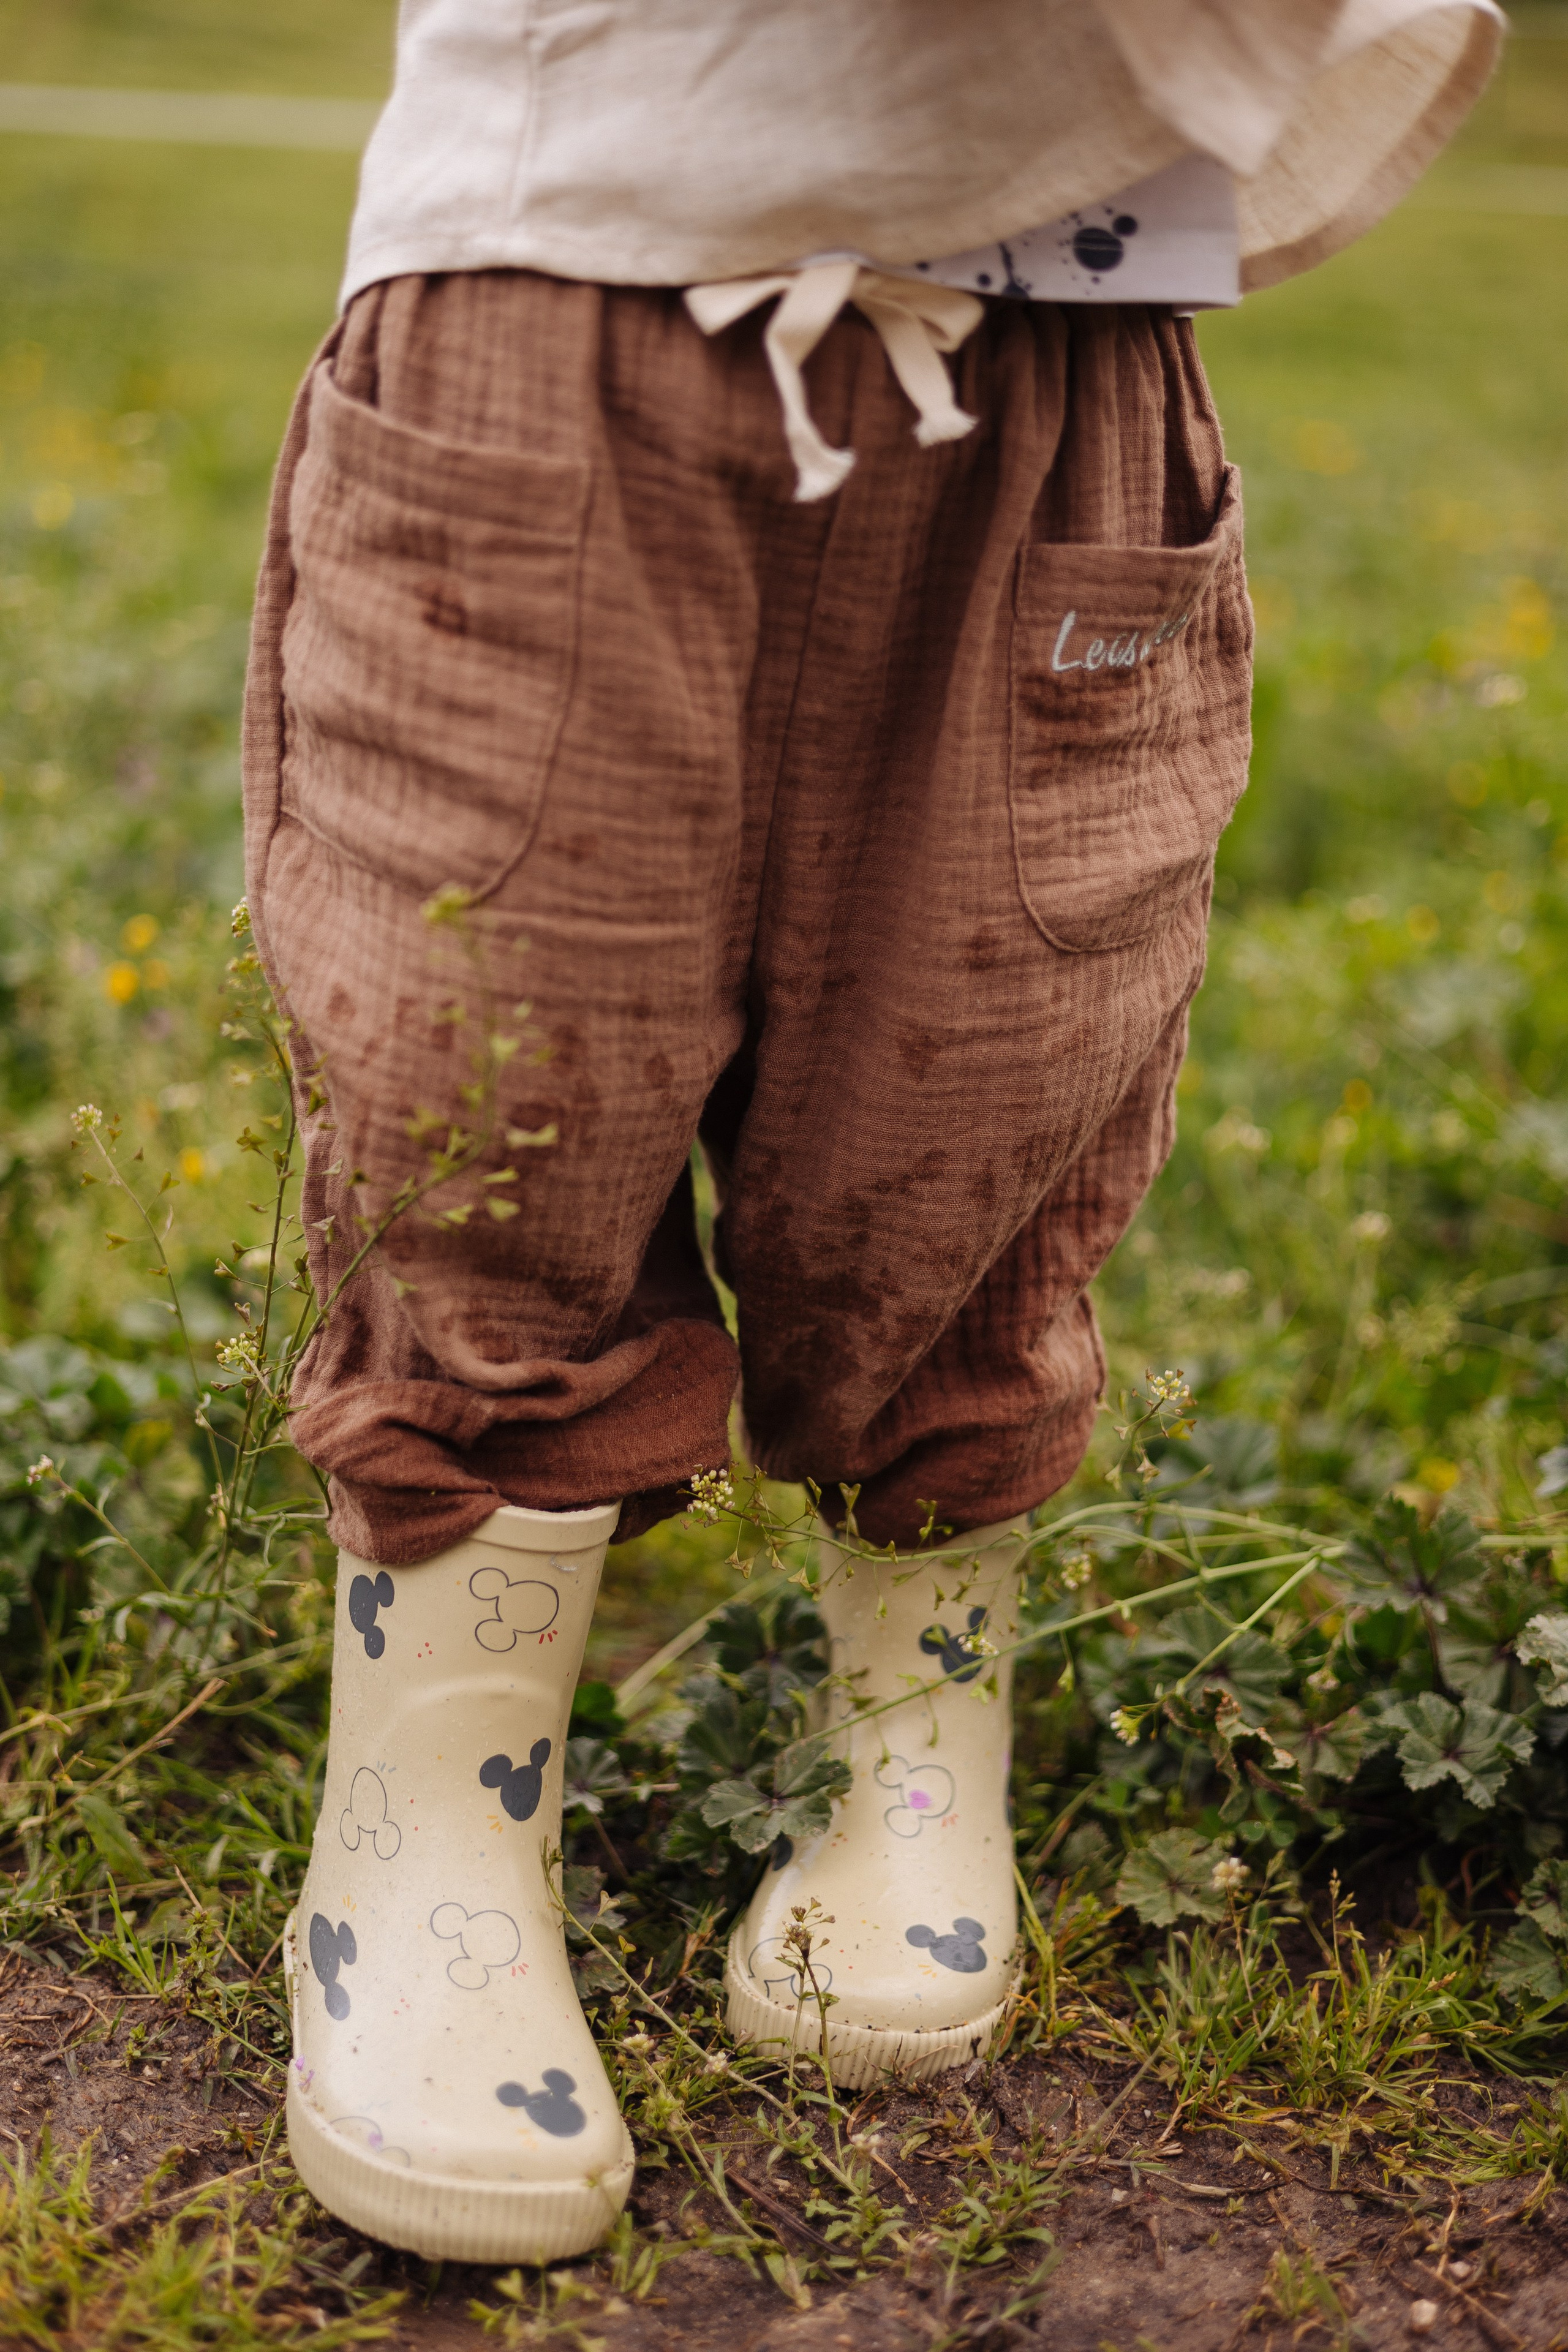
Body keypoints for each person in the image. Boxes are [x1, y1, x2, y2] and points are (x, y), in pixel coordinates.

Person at [243, 0, 1502, 2264]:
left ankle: (918, 1742)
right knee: (503, 1052)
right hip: (572, 274)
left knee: (988, 1055)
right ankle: (437, 1826)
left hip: (1060, 329)